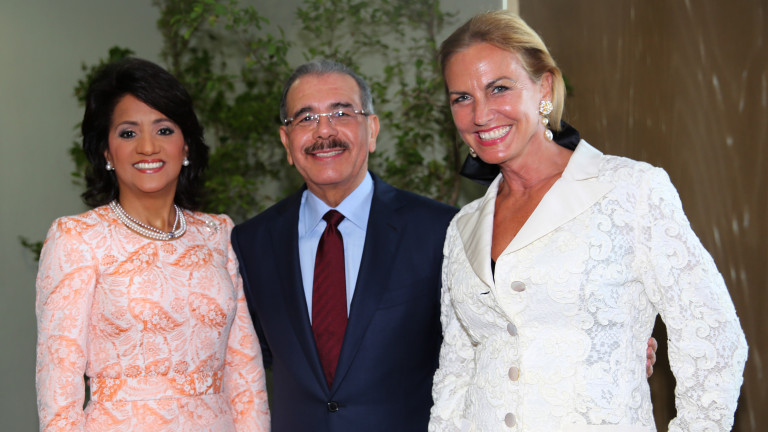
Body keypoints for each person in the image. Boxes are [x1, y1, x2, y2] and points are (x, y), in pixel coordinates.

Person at [428, 10, 748, 432]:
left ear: (544, 87)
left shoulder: (631, 190)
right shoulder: (463, 226)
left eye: (499, 88)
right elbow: (457, 368)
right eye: (462, 98)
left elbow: (714, 338)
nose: (481, 114)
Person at [35, 58, 270, 431]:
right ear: (107, 152)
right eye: (128, 133)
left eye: (164, 130)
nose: (147, 146)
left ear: (186, 146)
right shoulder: (77, 238)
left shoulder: (218, 233)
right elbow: (58, 388)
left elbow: (245, 369)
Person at [230, 60, 457, 431]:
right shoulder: (252, 242)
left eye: (341, 113)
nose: (324, 131)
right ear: (286, 142)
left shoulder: (438, 230)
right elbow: (260, 353)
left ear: (372, 129)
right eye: (306, 118)